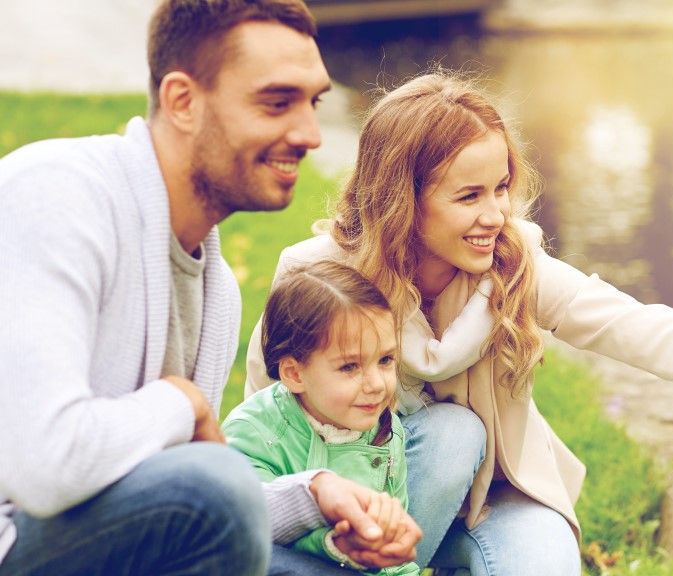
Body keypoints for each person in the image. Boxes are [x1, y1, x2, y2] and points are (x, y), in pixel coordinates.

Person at [245, 72, 673, 575]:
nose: (496, 215)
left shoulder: (512, 268)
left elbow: (652, 332)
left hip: (494, 502)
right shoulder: (316, 276)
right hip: (346, 518)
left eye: (500, 189)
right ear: (405, 198)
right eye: (469, 196)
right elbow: (265, 420)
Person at [0, 1, 421, 574]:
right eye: (277, 102)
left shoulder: (215, 288)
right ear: (182, 101)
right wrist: (183, 401)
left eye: (314, 102)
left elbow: (183, 488)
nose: (310, 134)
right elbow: (47, 468)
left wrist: (316, 492)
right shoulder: (58, 197)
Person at [224, 262, 423, 575]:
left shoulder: (385, 430)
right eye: (349, 367)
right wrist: (336, 544)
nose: (375, 384)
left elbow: (394, 541)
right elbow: (249, 530)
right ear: (294, 373)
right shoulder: (255, 433)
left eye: (385, 360)